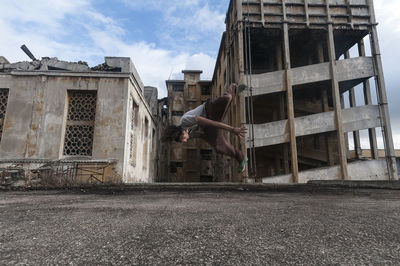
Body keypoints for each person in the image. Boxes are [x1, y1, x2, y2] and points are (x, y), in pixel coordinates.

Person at [162, 83, 248, 173]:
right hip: (207, 125)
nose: (186, 140)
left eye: (183, 138)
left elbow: (212, 123)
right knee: (219, 147)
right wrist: (215, 143)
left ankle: (234, 87)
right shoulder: (189, 134)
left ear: (182, 132)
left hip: (209, 109)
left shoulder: (185, 121)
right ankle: (241, 158)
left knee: (227, 99)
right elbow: (203, 135)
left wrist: (232, 129)